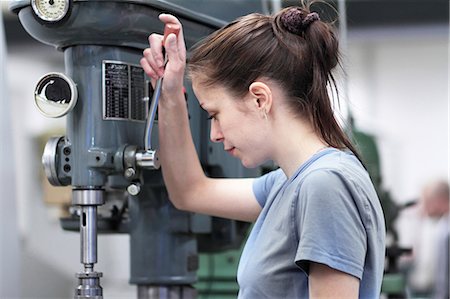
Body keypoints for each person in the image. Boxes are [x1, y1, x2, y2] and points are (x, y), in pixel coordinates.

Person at [140, 3, 386, 298]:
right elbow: (189, 192)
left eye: (214, 115)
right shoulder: (287, 184)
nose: (215, 135)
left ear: (259, 99)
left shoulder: (325, 184)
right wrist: (169, 93)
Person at [396, 180, 449, 298]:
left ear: (440, 200)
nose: (424, 207)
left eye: (427, 201)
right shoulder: (439, 226)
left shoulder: (444, 230)